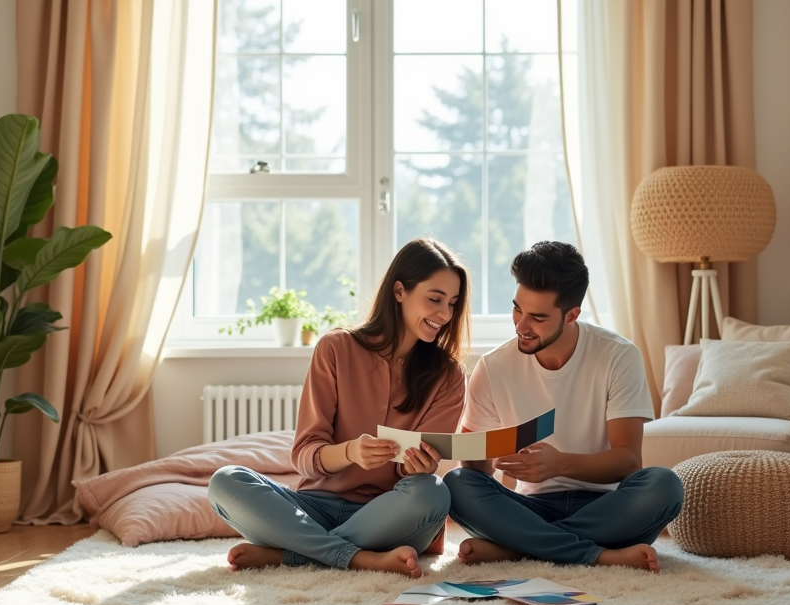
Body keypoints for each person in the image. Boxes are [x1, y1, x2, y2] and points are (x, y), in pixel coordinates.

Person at [208, 238, 470, 579]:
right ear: (399, 291)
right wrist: (350, 452)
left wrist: (419, 467)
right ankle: (360, 558)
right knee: (226, 482)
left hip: (388, 516)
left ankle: (295, 555)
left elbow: (418, 483)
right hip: (313, 508)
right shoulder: (336, 348)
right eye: (435, 299)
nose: (445, 315)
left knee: (432, 492)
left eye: (452, 303)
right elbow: (304, 454)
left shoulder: (449, 377)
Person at [443, 241, 683, 573]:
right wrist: (473, 453)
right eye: (517, 309)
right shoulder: (493, 366)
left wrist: (558, 464)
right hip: (528, 509)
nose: (520, 327)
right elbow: (476, 472)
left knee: (664, 485)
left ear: (571, 315)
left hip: (608, 508)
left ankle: (517, 548)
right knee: (456, 483)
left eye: (537, 318)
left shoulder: (618, 356)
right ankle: (596, 554)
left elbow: (628, 461)